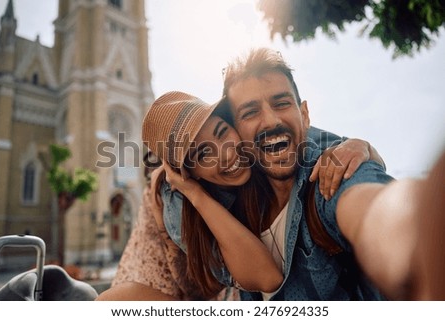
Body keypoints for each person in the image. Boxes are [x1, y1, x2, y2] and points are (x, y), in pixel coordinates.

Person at [97, 90, 384, 300]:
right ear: (188, 172)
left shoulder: (267, 149)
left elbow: (330, 148)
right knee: (110, 302)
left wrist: (363, 147)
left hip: (226, 292)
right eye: (203, 154)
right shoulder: (179, 206)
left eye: (222, 132)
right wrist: (194, 194)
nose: (226, 154)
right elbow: (266, 278)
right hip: (168, 278)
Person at [213, 47, 440, 300]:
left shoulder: (335, 169)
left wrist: (419, 232)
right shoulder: (232, 205)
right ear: (236, 134)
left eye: (282, 103)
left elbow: (371, 207)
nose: (270, 120)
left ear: (305, 115)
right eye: (250, 112)